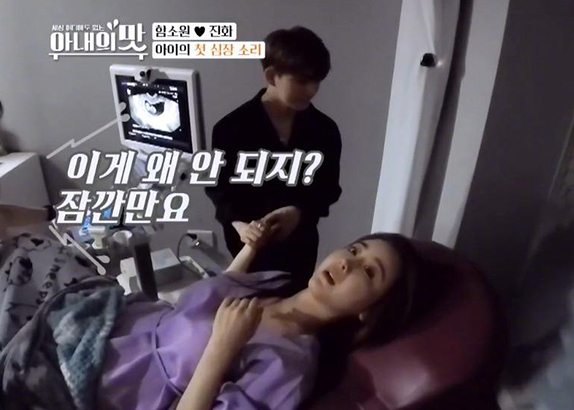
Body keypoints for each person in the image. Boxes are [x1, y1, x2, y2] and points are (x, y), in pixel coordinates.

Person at [96, 232, 422, 410]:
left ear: (369, 312)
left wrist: (221, 349)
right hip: (106, 323)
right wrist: (252, 246)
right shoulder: (275, 282)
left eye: (369, 271)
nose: (347, 264)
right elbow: (218, 295)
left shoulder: (290, 367)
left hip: (105, 383)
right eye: (354, 250)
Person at [205, 26, 342, 291]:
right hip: (248, 248)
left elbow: (328, 189)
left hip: (300, 247)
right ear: (271, 76)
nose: (312, 90)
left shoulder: (325, 130)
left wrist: (297, 213)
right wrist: (242, 227)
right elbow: (219, 189)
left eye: (317, 81)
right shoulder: (230, 128)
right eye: (302, 81)